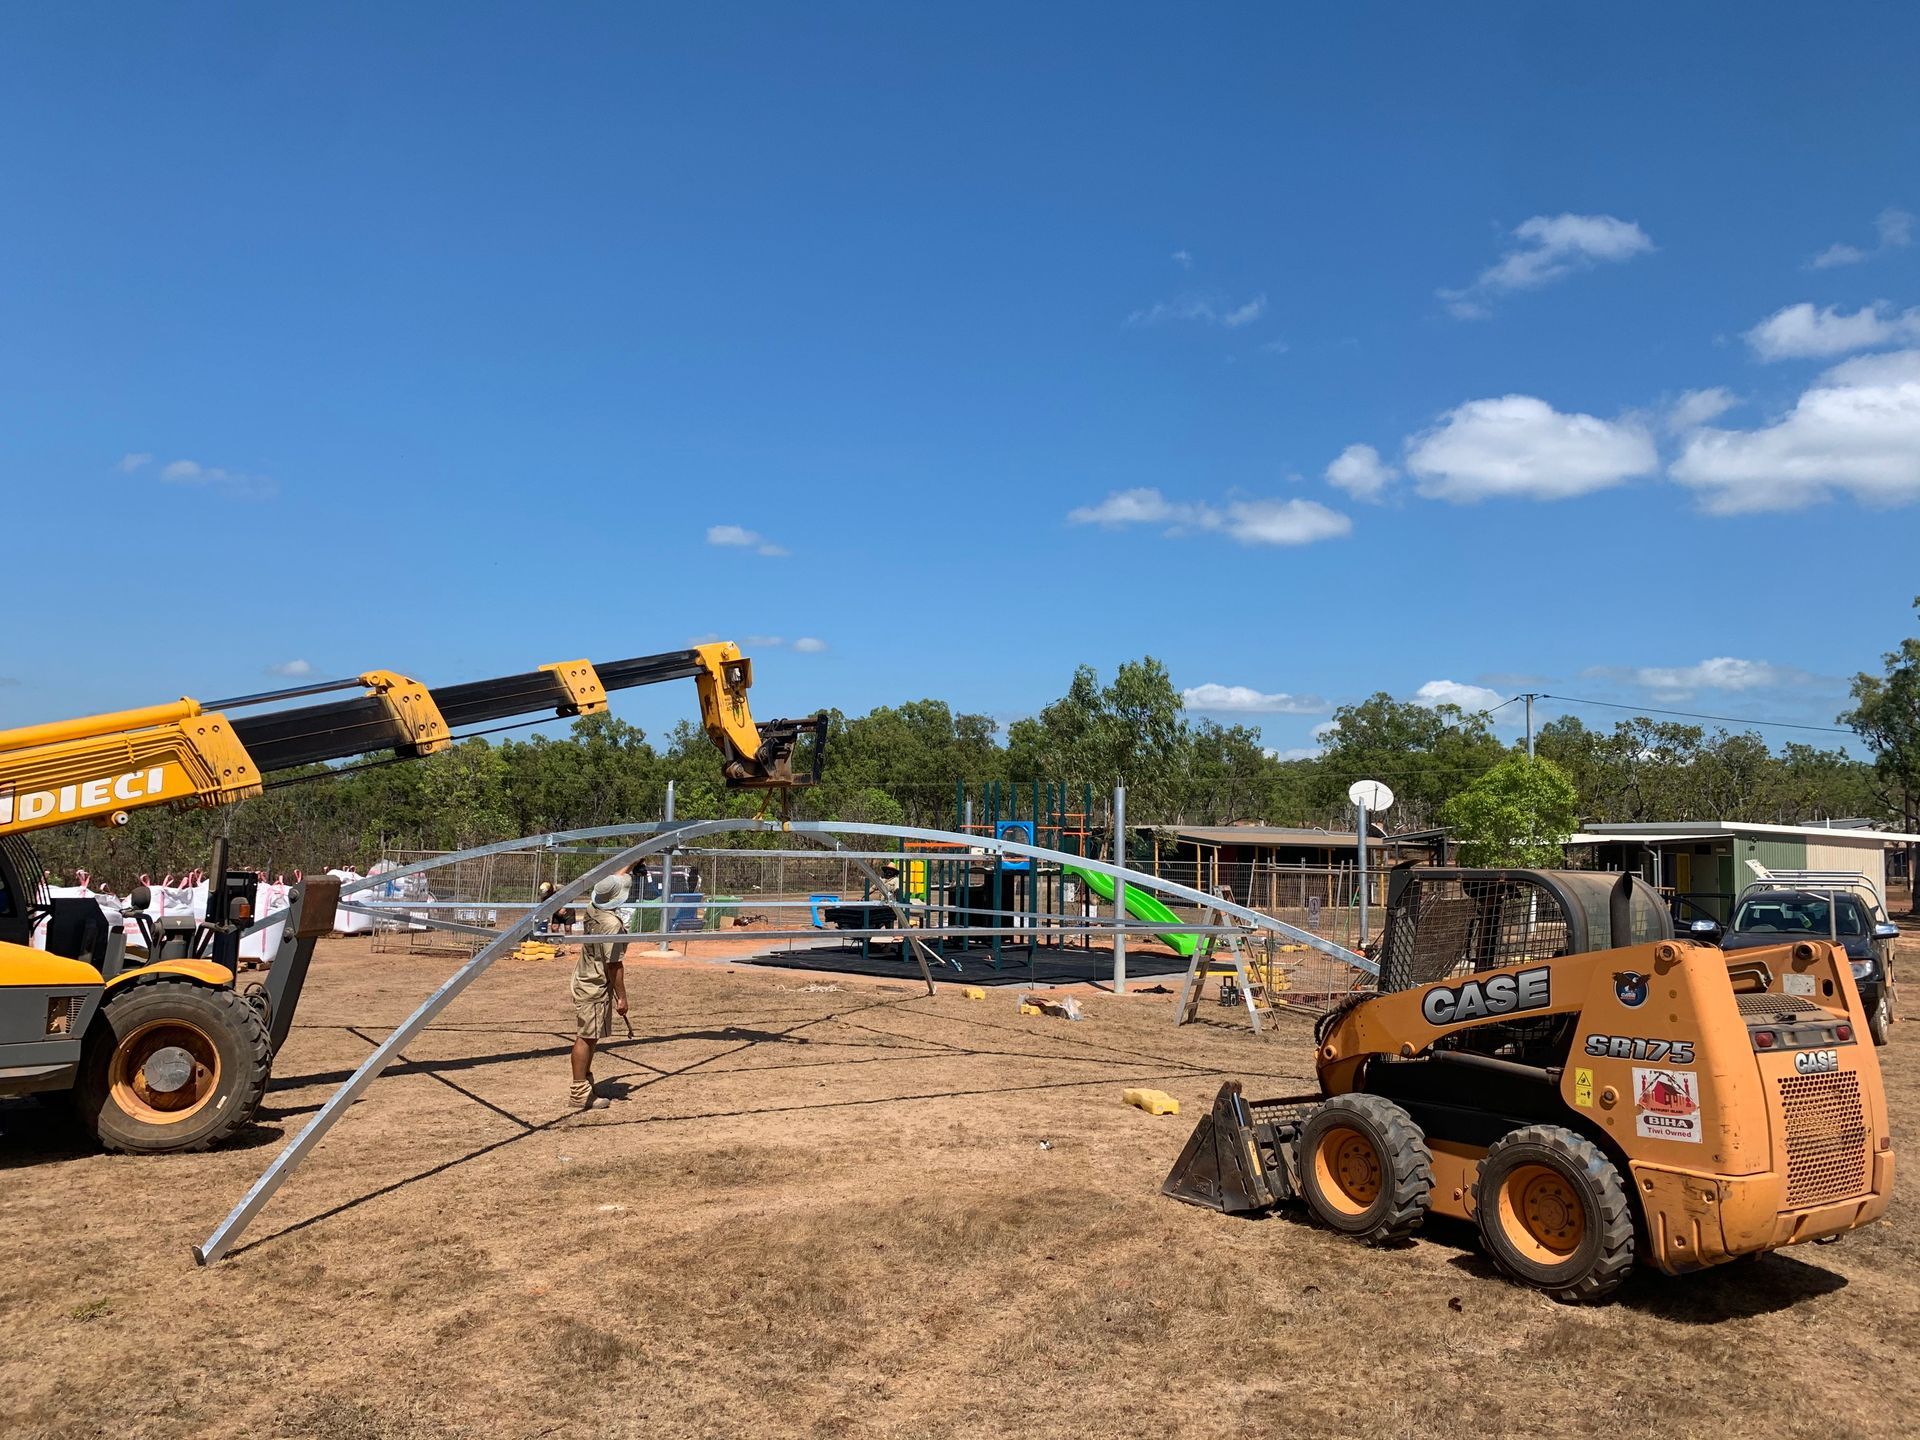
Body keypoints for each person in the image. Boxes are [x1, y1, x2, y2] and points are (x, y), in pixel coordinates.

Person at [569, 872, 631, 1110]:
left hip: (586, 976)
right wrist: (622, 997)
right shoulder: (611, 924)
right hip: (594, 983)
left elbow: (617, 876)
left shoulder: (593, 908)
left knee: (591, 1035)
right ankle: (578, 1092)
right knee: (586, 1036)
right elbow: (614, 964)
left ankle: (585, 1081)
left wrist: (634, 860)